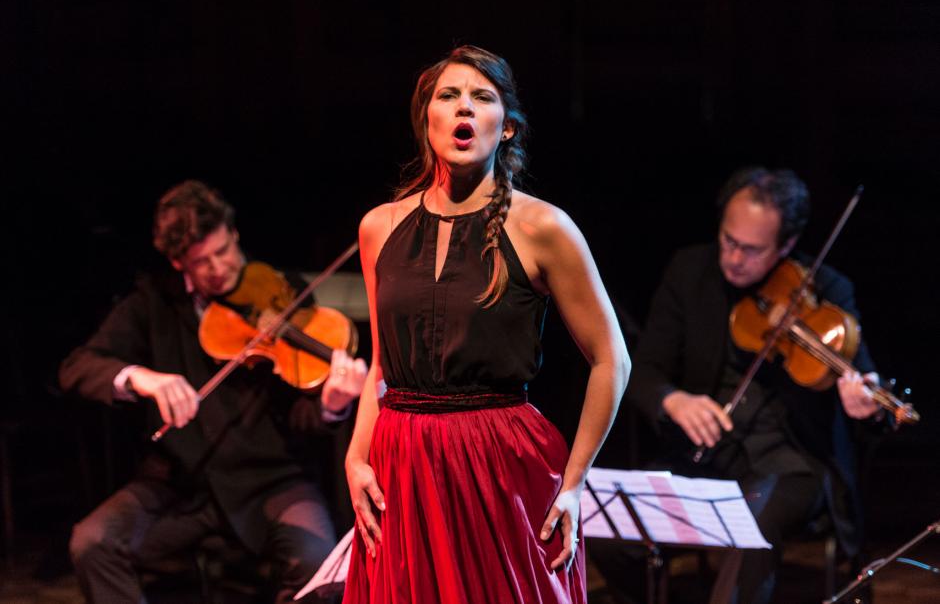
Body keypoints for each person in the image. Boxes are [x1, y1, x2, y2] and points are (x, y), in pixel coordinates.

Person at [340, 45, 631, 604]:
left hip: (497, 462)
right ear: (428, 119)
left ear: (508, 128)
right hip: (403, 463)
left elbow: (611, 361)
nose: (464, 109)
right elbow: (381, 365)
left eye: (482, 97)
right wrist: (356, 457)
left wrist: (573, 485)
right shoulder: (379, 227)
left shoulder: (543, 225)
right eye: (448, 96)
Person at [60, 180, 368, 603]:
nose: (218, 268)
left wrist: (330, 407)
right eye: (200, 262)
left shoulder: (283, 293)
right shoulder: (154, 304)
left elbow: (303, 412)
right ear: (177, 263)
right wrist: (139, 377)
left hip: (274, 480)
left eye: (223, 251)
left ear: (234, 232)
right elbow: (77, 368)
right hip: (181, 484)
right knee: (92, 542)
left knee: (318, 565)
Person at [614, 167, 884, 604]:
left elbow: (868, 382)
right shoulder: (690, 272)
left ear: (786, 246)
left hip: (793, 463)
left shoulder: (828, 290)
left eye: (753, 250)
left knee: (751, 528)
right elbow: (643, 371)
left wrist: (864, 401)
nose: (735, 258)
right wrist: (674, 399)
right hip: (707, 455)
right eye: (728, 241)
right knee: (611, 531)